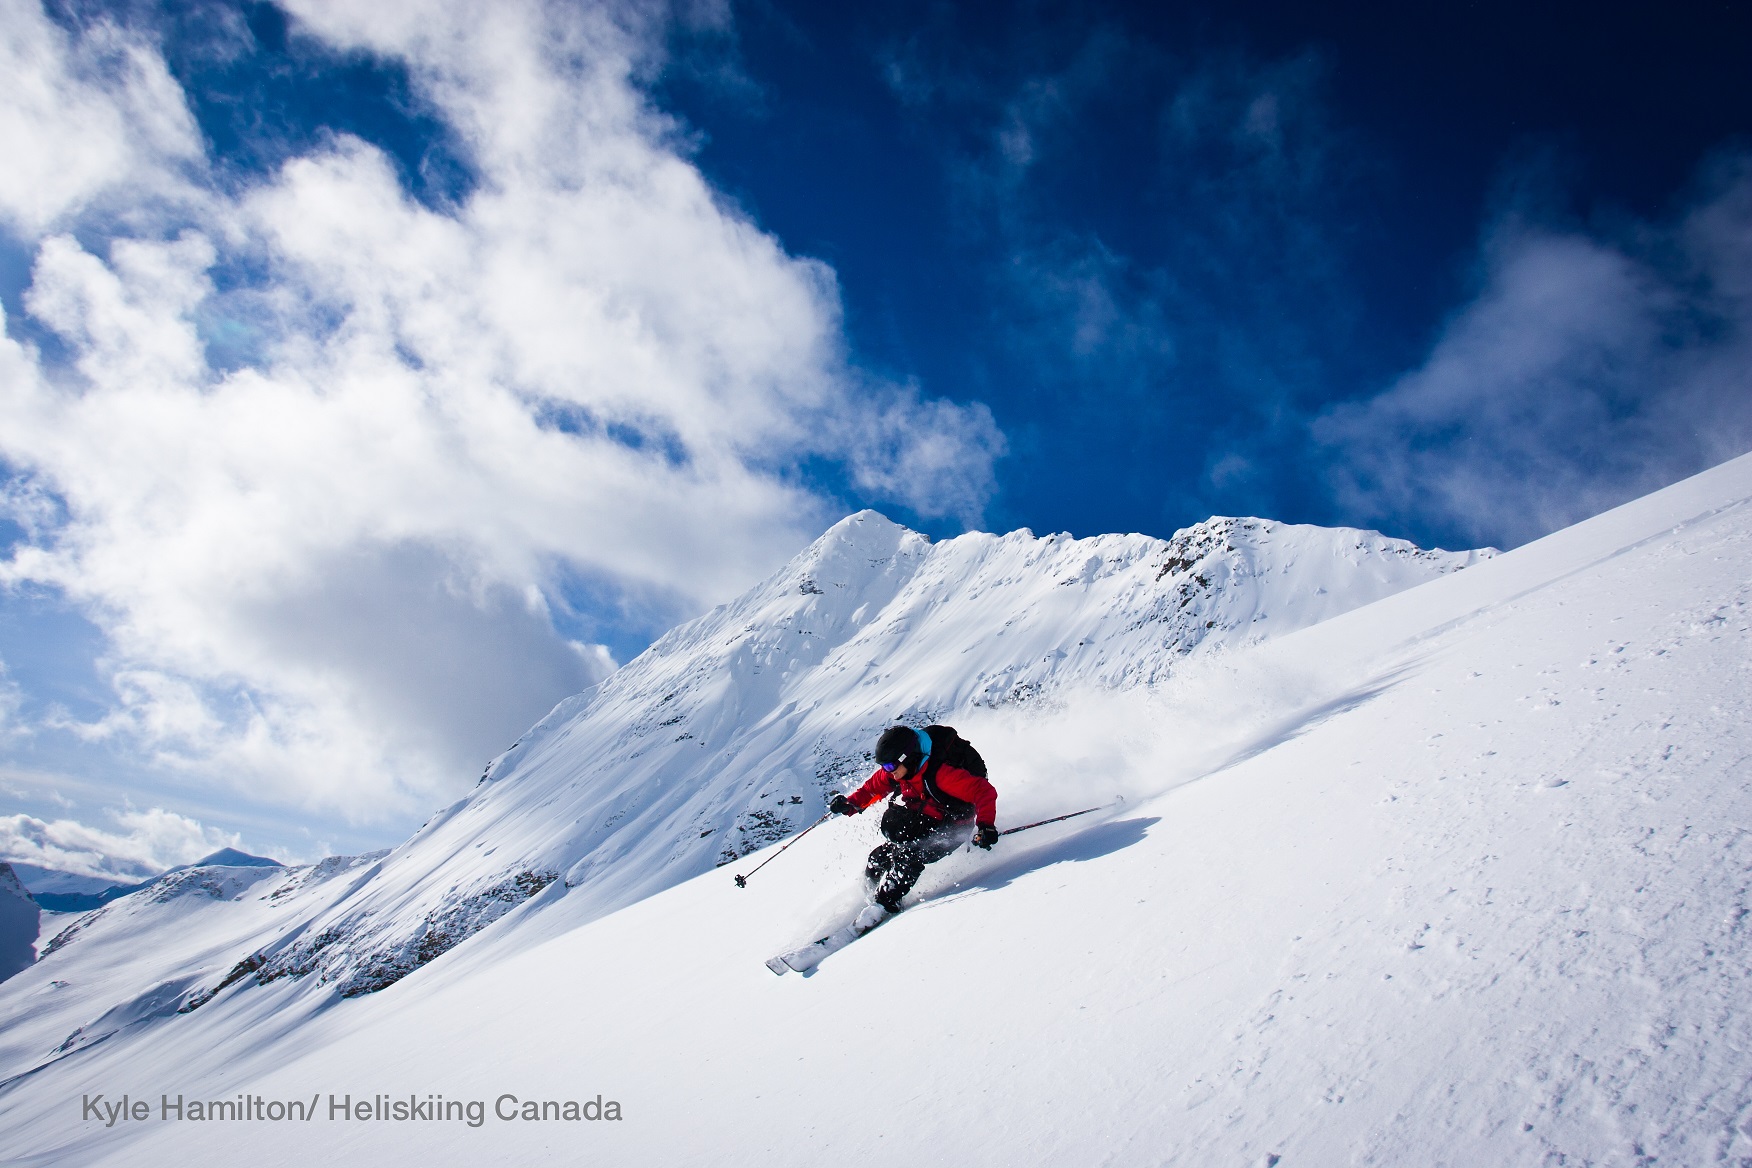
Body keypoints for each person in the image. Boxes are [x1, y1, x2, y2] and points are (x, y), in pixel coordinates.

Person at [828, 724, 999, 917]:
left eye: (891, 766)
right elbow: (871, 789)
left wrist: (985, 826)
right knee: (877, 859)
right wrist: (850, 804)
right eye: (884, 766)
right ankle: (868, 901)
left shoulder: (941, 774)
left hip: (951, 828)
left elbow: (983, 791)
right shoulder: (900, 770)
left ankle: (884, 905)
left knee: (908, 858)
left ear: (906, 758)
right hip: (924, 819)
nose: (887, 771)